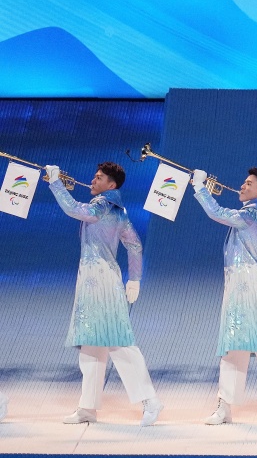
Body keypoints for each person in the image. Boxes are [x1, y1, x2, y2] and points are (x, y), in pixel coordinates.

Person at [44, 161, 162, 426]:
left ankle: (150, 400)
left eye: (99, 178)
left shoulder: (103, 205)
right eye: (94, 176)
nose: (93, 180)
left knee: (118, 342)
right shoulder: (118, 209)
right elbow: (135, 245)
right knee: (91, 344)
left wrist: (56, 183)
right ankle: (87, 407)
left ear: (112, 184)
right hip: (93, 279)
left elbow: (74, 209)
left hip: (101, 281)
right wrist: (134, 279)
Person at [191, 167, 257, 427]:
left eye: (249, 183)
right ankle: (224, 407)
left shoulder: (250, 214)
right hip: (236, 284)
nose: (242, 186)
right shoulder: (256, 218)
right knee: (232, 347)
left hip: (249, 285)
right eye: (244, 182)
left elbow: (217, 213)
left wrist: (200, 188)